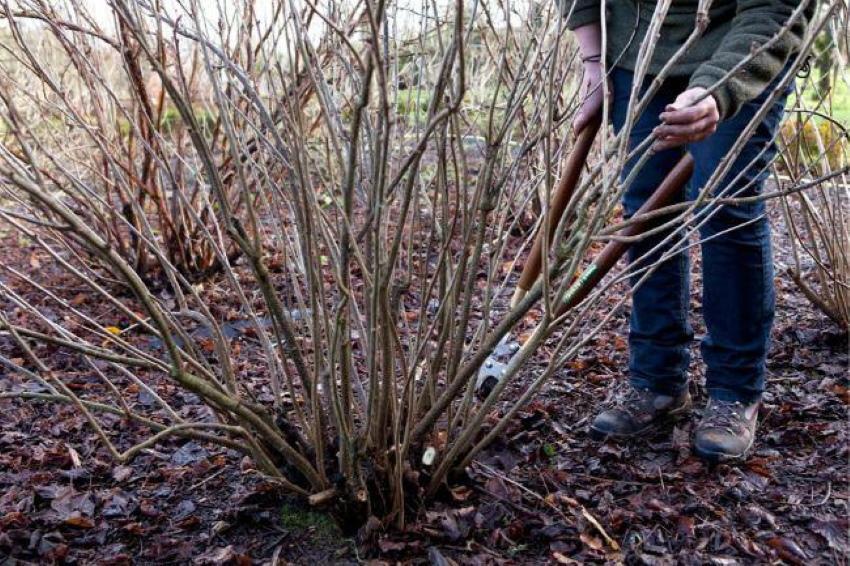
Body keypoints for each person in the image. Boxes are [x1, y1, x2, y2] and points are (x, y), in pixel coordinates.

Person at [559, 0, 813, 461]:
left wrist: (718, 90)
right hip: (634, 50)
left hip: (738, 38)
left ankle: (735, 391)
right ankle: (656, 379)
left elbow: (776, 9)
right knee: (645, 211)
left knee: (724, 207)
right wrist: (595, 61)